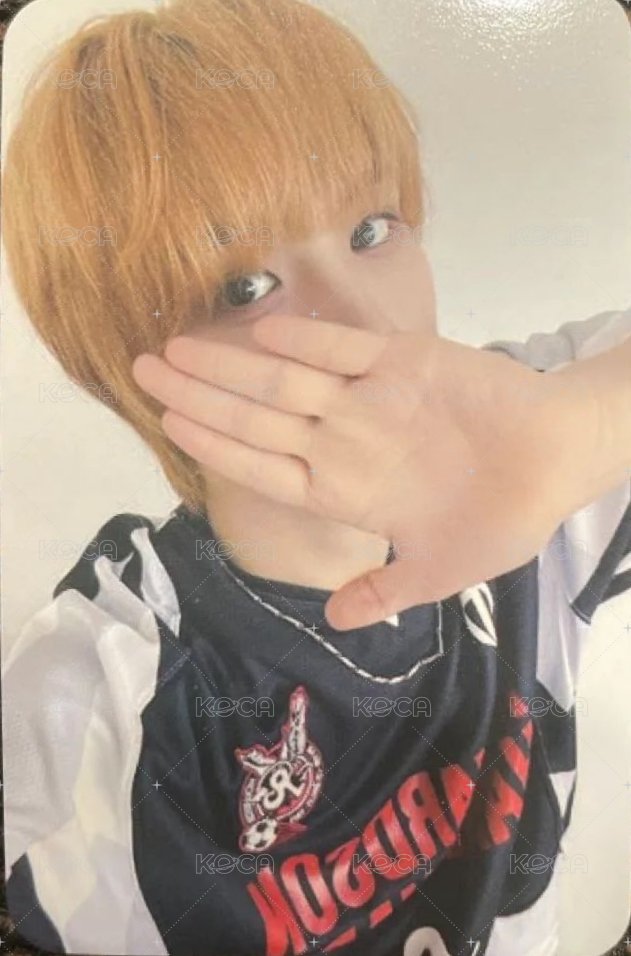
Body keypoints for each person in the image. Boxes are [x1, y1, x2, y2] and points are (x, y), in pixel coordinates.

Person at [2, 1, 630, 955]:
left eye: (372, 228)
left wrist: (561, 439)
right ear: (120, 362)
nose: (361, 321)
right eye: (243, 288)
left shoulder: (521, 431)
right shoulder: (108, 685)